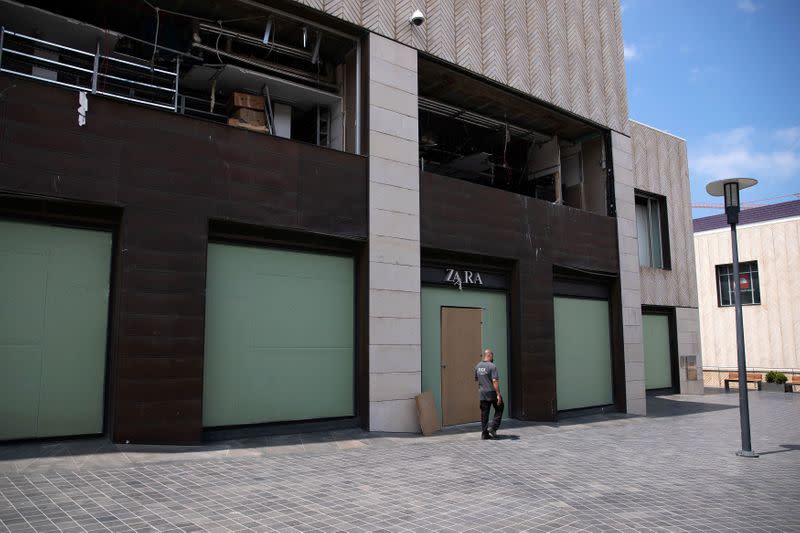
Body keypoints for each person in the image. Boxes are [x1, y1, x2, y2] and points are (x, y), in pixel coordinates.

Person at [474, 348, 503, 440]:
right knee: (500, 407)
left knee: (484, 414)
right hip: (491, 393)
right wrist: (498, 394)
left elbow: (476, 379)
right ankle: (493, 428)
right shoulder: (492, 366)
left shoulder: (477, 366)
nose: (492, 358)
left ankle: (484, 434)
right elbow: (494, 381)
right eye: (492, 356)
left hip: (482, 393)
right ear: (489, 355)